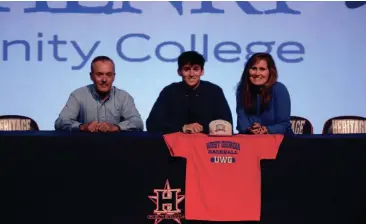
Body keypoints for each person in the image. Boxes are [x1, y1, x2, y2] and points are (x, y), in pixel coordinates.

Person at [146, 51, 232, 134]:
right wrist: (182, 128)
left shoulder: (214, 91)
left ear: (202, 71)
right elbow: (152, 123)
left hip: (206, 145)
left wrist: (203, 128)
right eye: (186, 69)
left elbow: (227, 125)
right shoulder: (169, 91)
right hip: (175, 145)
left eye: (196, 69)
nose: (191, 74)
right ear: (179, 72)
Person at [55, 56, 144, 132]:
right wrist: (82, 127)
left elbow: (137, 123)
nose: (104, 79)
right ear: (91, 76)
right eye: (99, 74)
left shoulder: (124, 97)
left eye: (109, 75)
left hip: (116, 148)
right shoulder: (78, 95)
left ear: (114, 76)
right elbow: (61, 122)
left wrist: (116, 127)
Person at [236, 52, 292, 134]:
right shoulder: (242, 89)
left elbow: (284, 125)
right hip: (251, 139)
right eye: (253, 68)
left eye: (262, 69)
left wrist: (265, 129)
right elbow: (241, 123)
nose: (257, 73)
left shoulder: (279, 89)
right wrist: (249, 129)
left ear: (270, 71)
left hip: (279, 141)